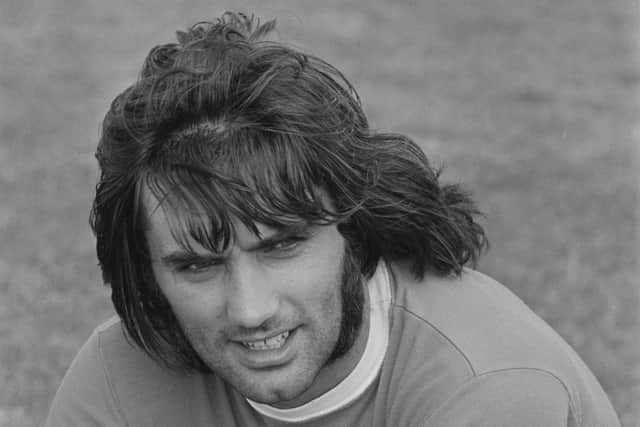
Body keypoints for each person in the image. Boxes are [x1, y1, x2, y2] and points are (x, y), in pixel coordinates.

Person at [45, 11, 620, 427]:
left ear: (353, 227)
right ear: (146, 274)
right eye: (197, 265)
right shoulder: (114, 384)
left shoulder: (488, 386)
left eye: (281, 246)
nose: (250, 310)